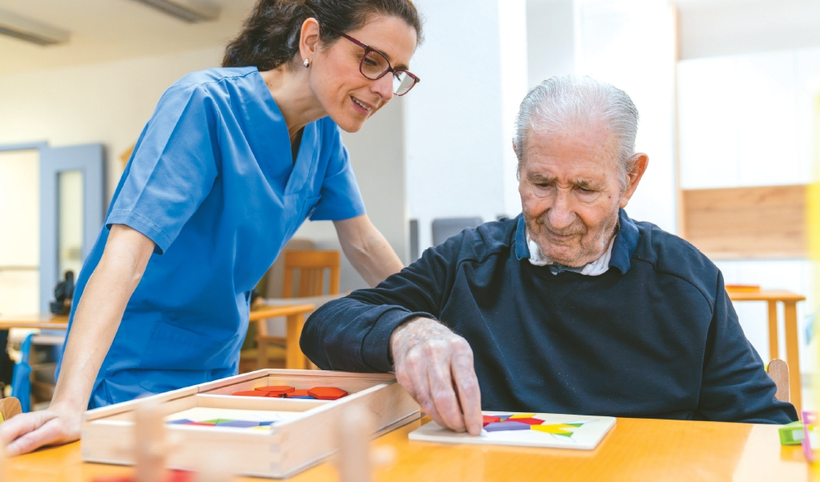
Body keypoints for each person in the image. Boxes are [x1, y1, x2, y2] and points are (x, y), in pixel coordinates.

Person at [0, 0, 422, 455]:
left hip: (219, 366)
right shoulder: (203, 105)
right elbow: (126, 252)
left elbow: (365, 244)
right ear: (311, 39)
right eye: (371, 60)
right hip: (131, 367)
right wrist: (67, 404)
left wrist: (434, 330)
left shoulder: (323, 137)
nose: (385, 88)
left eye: (398, 73)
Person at [301, 75, 798, 435]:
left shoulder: (686, 279)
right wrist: (406, 330)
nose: (558, 216)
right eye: (541, 183)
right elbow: (324, 327)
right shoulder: (469, 262)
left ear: (630, 180)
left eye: (584, 189)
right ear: (519, 166)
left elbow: (761, 428)